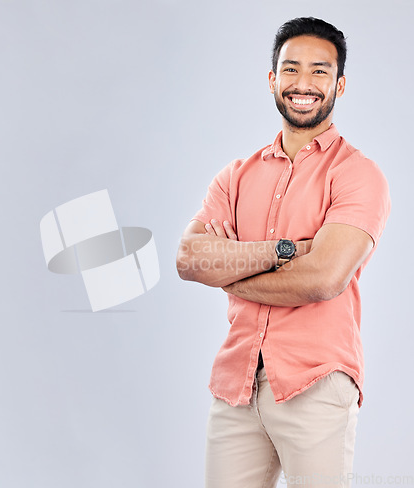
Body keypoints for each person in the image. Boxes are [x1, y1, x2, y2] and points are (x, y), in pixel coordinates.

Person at [176, 17, 390, 488]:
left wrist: (230, 269)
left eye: (320, 71)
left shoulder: (358, 175)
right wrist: (286, 250)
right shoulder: (235, 175)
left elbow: (322, 279)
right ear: (273, 79)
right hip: (235, 385)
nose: (304, 84)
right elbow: (190, 260)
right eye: (291, 69)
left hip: (315, 382)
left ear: (340, 84)